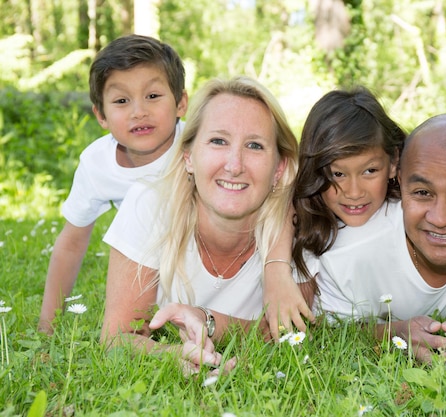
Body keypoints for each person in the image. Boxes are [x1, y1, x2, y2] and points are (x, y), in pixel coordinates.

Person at [299, 113, 446, 364]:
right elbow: (324, 334)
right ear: (401, 184)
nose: (440, 218)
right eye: (423, 192)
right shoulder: (347, 252)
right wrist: (390, 334)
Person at [100, 76, 301, 372]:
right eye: (218, 141)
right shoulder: (150, 205)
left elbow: (293, 333)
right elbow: (116, 336)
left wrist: (205, 319)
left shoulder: (298, 226)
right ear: (188, 156)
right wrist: (173, 355)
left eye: (255, 145)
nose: (234, 165)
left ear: (279, 168)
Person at [38, 34, 188, 334]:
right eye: (121, 101)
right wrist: (47, 324)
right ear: (101, 115)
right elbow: (71, 243)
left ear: (181, 103)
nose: (138, 111)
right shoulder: (97, 163)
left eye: (153, 96)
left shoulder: (197, 148)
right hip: (147, 264)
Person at [291, 85, 405, 301]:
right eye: (337, 174)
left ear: (393, 162)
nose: (354, 193)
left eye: (369, 171)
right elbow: (303, 322)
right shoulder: (313, 233)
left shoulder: (409, 216)